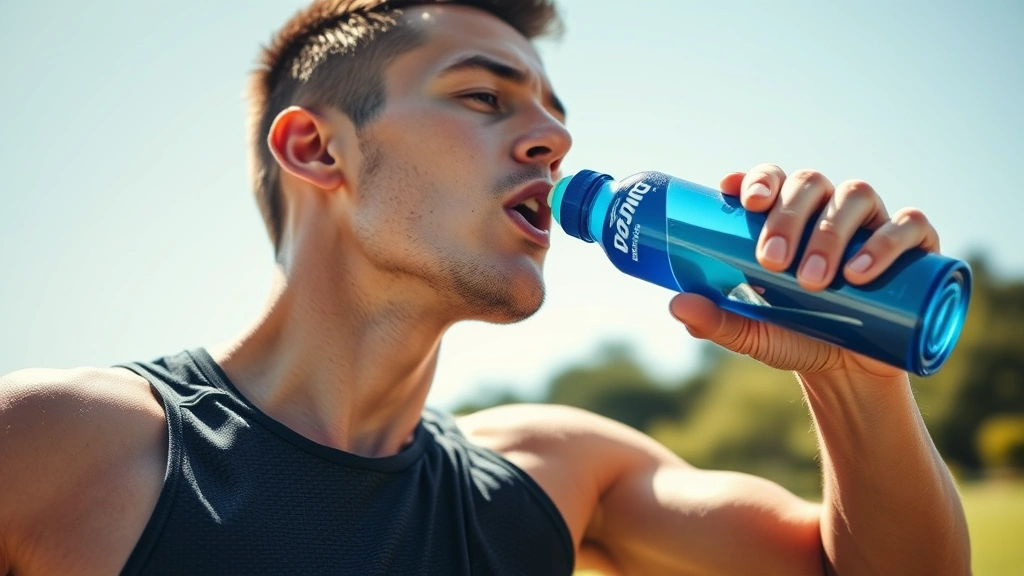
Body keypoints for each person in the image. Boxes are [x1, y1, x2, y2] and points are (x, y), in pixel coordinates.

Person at [0, 0, 971, 574]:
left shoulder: (553, 474)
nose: (552, 141)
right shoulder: (52, 442)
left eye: (552, 113)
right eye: (482, 97)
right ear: (316, 146)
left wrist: (854, 375)